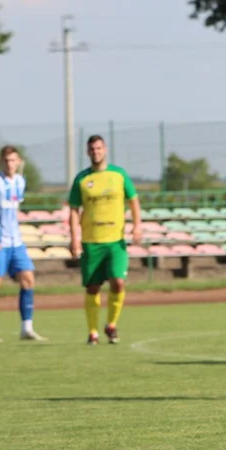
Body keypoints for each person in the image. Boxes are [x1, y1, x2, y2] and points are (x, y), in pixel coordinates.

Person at [68, 135, 142, 345]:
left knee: (118, 281)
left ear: (105, 150)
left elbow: (133, 200)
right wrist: (74, 238)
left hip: (115, 241)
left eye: (99, 148)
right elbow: (74, 209)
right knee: (92, 287)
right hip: (91, 241)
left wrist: (137, 225)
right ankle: (92, 332)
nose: (96, 152)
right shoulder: (82, 179)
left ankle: (111, 324)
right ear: (87, 152)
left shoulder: (118, 175)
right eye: (92, 149)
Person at [0, 146, 46, 342]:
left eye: (13, 160)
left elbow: (14, 210)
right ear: (1, 162)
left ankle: (27, 328)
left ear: (18, 161)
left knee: (28, 279)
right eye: (6, 160)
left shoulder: (20, 181)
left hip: (16, 241)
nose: (10, 164)